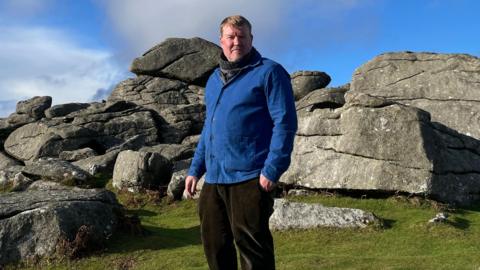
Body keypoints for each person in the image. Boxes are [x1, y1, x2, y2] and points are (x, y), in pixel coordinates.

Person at [185, 15, 297, 270]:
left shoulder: (270, 72)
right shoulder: (213, 79)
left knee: (253, 253)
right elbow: (209, 128)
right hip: (213, 179)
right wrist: (195, 169)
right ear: (221, 41)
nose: (236, 42)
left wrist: (272, 169)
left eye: (242, 36)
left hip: (249, 177)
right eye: (231, 37)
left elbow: (285, 123)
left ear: (251, 39)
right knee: (215, 248)